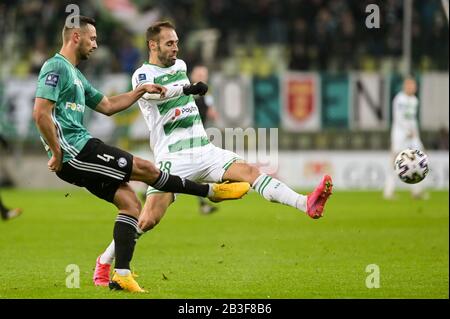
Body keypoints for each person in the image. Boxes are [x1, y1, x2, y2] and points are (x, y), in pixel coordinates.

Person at [93, 21, 333, 289]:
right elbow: (151, 97)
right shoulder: (142, 74)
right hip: (173, 156)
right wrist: (187, 89)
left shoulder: (181, 66)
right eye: (169, 43)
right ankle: (104, 262)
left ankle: (305, 203)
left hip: (205, 149)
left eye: (177, 42)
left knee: (251, 173)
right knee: (148, 220)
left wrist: (191, 91)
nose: (176, 48)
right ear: (153, 45)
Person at [33, 16, 249, 293]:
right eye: (93, 38)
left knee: (131, 204)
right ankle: (210, 192)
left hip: (78, 151)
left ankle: (121, 274)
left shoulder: (76, 75)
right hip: (77, 150)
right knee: (147, 169)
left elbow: (109, 105)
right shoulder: (55, 67)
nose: (96, 45)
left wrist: (140, 91)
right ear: (76, 37)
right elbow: (40, 113)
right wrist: (56, 151)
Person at [384, 76, 427, 200]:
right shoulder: (399, 99)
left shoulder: (414, 100)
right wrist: (407, 131)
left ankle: (416, 191)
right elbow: (398, 118)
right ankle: (389, 191)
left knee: (418, 160)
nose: (413, 88)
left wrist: (416, 136)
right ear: (405, 86)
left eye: (414, 86)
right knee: (395, 161)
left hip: (412, 135)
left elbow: (413, 120)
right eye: (411, 85)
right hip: (399, 134)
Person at [190, 65, 219, 214]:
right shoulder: (186, 90)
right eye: (199, 73)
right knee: (195, 166)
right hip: (184, 134)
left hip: (198, 134)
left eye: (204, 74)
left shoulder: (207, 94)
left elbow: (212, 112)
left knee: (195, 166)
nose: (202, 76)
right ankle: (203, 203)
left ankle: (203, 203)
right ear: (192, 75)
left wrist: (212, 111)